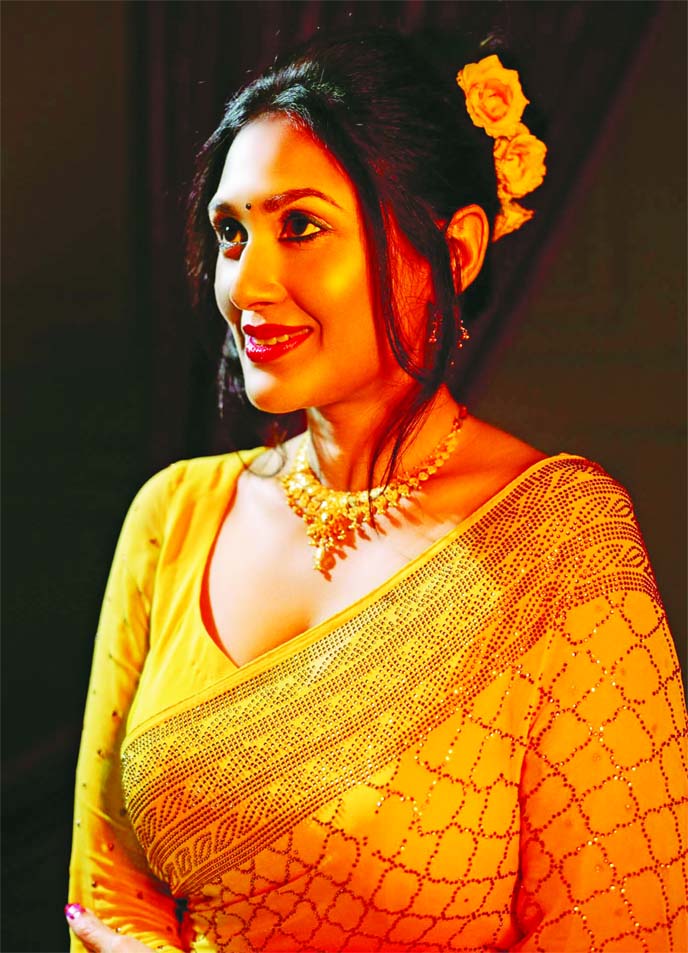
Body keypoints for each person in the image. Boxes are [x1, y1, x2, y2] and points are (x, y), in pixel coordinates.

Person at [66, 30, 687, 953]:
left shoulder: (560, 547)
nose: (247, 284)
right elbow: (103, 899)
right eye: (231, 233)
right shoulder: (174, 515)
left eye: (300, 228)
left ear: (455, 250)